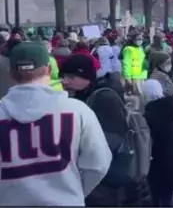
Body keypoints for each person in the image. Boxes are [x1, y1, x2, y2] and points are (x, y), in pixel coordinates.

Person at [0, 42, 112, 205]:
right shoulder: (78, 111)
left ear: (11, 73)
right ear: (49, 70)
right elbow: (98, 163)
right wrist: (75, 192)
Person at [60, 54, 139, 206]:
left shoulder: (104, 98)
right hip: (101, 179)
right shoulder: (83, 95)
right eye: (63, 76)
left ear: (86, 76)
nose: (65, 81)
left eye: (70, 76)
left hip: (108, 182)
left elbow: (111, 141)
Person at [142, 79, 173, 206]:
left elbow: (148, 143)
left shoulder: (151, 115)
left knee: (155, 198)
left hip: (157, 167)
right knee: (167, 198)